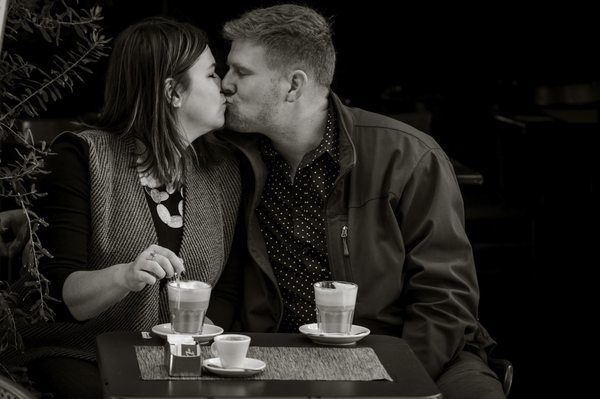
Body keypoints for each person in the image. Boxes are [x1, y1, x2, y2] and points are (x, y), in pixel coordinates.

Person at [216, 4, 505, 399]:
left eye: (241, 72)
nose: (225, 84)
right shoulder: (232, 161)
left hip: (410, 351)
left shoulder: (407, 155)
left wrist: (394, 380)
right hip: (278, 355)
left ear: (294, 86)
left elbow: (444, 297)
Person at [6, 17, 241, 398]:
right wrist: (124, 276)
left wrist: (202, 339)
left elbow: (227, 289)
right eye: (213, 75)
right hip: (81, 355)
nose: (225, 86)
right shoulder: (83, 158)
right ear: (173, 93)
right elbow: (59, 297)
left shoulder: (223, 173)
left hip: (181, 362)